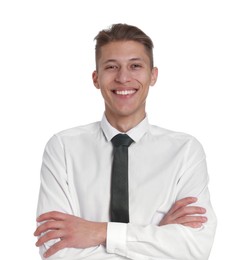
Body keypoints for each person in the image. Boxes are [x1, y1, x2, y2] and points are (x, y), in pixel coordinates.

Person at [34, 23, 217, 259]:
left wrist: (99, 232)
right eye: (111, 67)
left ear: (153, 75)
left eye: (135, 66)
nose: (123, 77)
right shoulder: (62, 148)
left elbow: (194, 248)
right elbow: (55, 250)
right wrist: (158, 235)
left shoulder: (185, 151)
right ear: (96, 78)